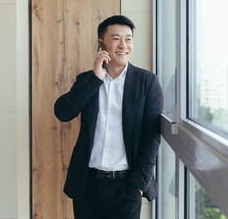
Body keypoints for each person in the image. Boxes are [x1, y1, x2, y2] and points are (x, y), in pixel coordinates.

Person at [54, 15, 163, 219]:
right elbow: (63, 112)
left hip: (126, 187)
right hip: (87, 185)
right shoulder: (87, 79)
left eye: (128, 39)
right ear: (101, 43)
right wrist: (95, 79)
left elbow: (152, 136)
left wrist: (138, 186)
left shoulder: (147, 82)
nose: (123, 45)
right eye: (116, 38)